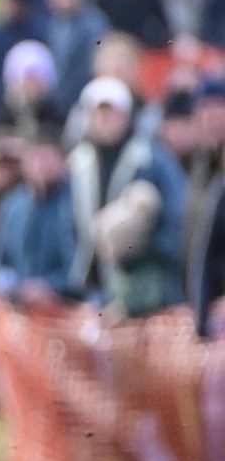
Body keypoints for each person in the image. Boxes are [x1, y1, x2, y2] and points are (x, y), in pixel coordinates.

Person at [69, 77, 187, 317]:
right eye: (98, 113)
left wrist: (135, 249)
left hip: (146, 290)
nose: (105, 120)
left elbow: (177, 219)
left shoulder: (153, 159)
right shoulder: (77, 163)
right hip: (93, 291)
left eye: (111, 112)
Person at [0, 123, 78, 305]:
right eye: (35, 158)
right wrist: (9, 284)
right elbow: (1, 258)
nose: (40, 166)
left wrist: (52, 286)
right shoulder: (13, 205)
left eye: (46, 158)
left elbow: (81, 264)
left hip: (65, 305)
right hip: (22, 307)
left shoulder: (75, 203)